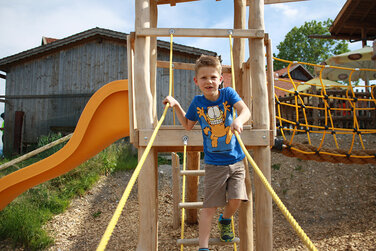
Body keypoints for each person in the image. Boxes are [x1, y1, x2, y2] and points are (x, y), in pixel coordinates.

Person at [163, 55, 251, 251]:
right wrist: (176, 105)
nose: (209, 81)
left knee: (237, 199)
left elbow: (245, 110)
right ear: (196, 81)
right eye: (203, 78)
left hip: (236, 160)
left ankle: (226, 220)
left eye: (213, 77)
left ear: (221, 79)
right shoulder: (197, 103)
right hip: (214, 163)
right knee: (209, 206)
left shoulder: (228, 94)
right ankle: (203, 247)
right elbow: (187, 125)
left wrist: (239, 121)